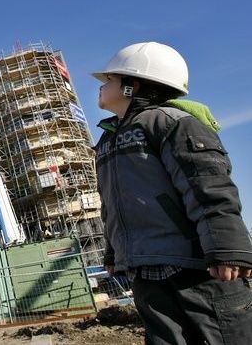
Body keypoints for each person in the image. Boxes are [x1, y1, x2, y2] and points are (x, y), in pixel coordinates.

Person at [92, 41, 252, 344]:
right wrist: (113, 252)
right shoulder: (108, 140)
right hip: (145, 271)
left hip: (198, 271)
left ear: (131, 85)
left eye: (109, 79)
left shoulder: (172, 123)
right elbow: (111, 205)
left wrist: (227, 249)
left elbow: (208, 187)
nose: (101, 85)